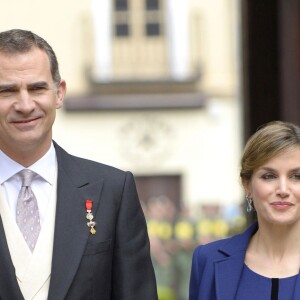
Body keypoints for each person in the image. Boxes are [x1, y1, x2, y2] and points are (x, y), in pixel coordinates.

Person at [0, 29, 158, 300]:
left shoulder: (112, 191)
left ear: (59, 94)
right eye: (7, 91)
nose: (25, 105)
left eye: (37, 88)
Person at [189, 121, 300, 300]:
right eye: (269, 176)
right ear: (247, 185)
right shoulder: (207, 260)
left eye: (296, 176)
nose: (283, 190)